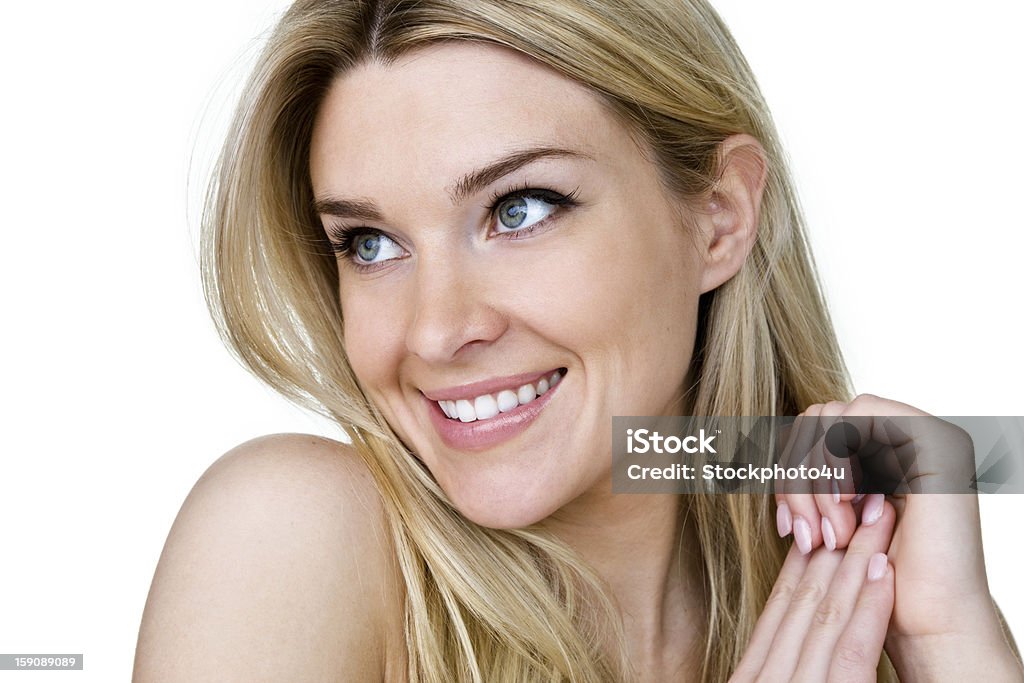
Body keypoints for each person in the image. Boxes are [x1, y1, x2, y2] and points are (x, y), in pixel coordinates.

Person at [133, 1, 1023, 680]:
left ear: (719, 219)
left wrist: (951, 637)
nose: (438, 330)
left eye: (517, 210)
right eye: (371, 244)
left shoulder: (837, 606)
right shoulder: (292, 535)